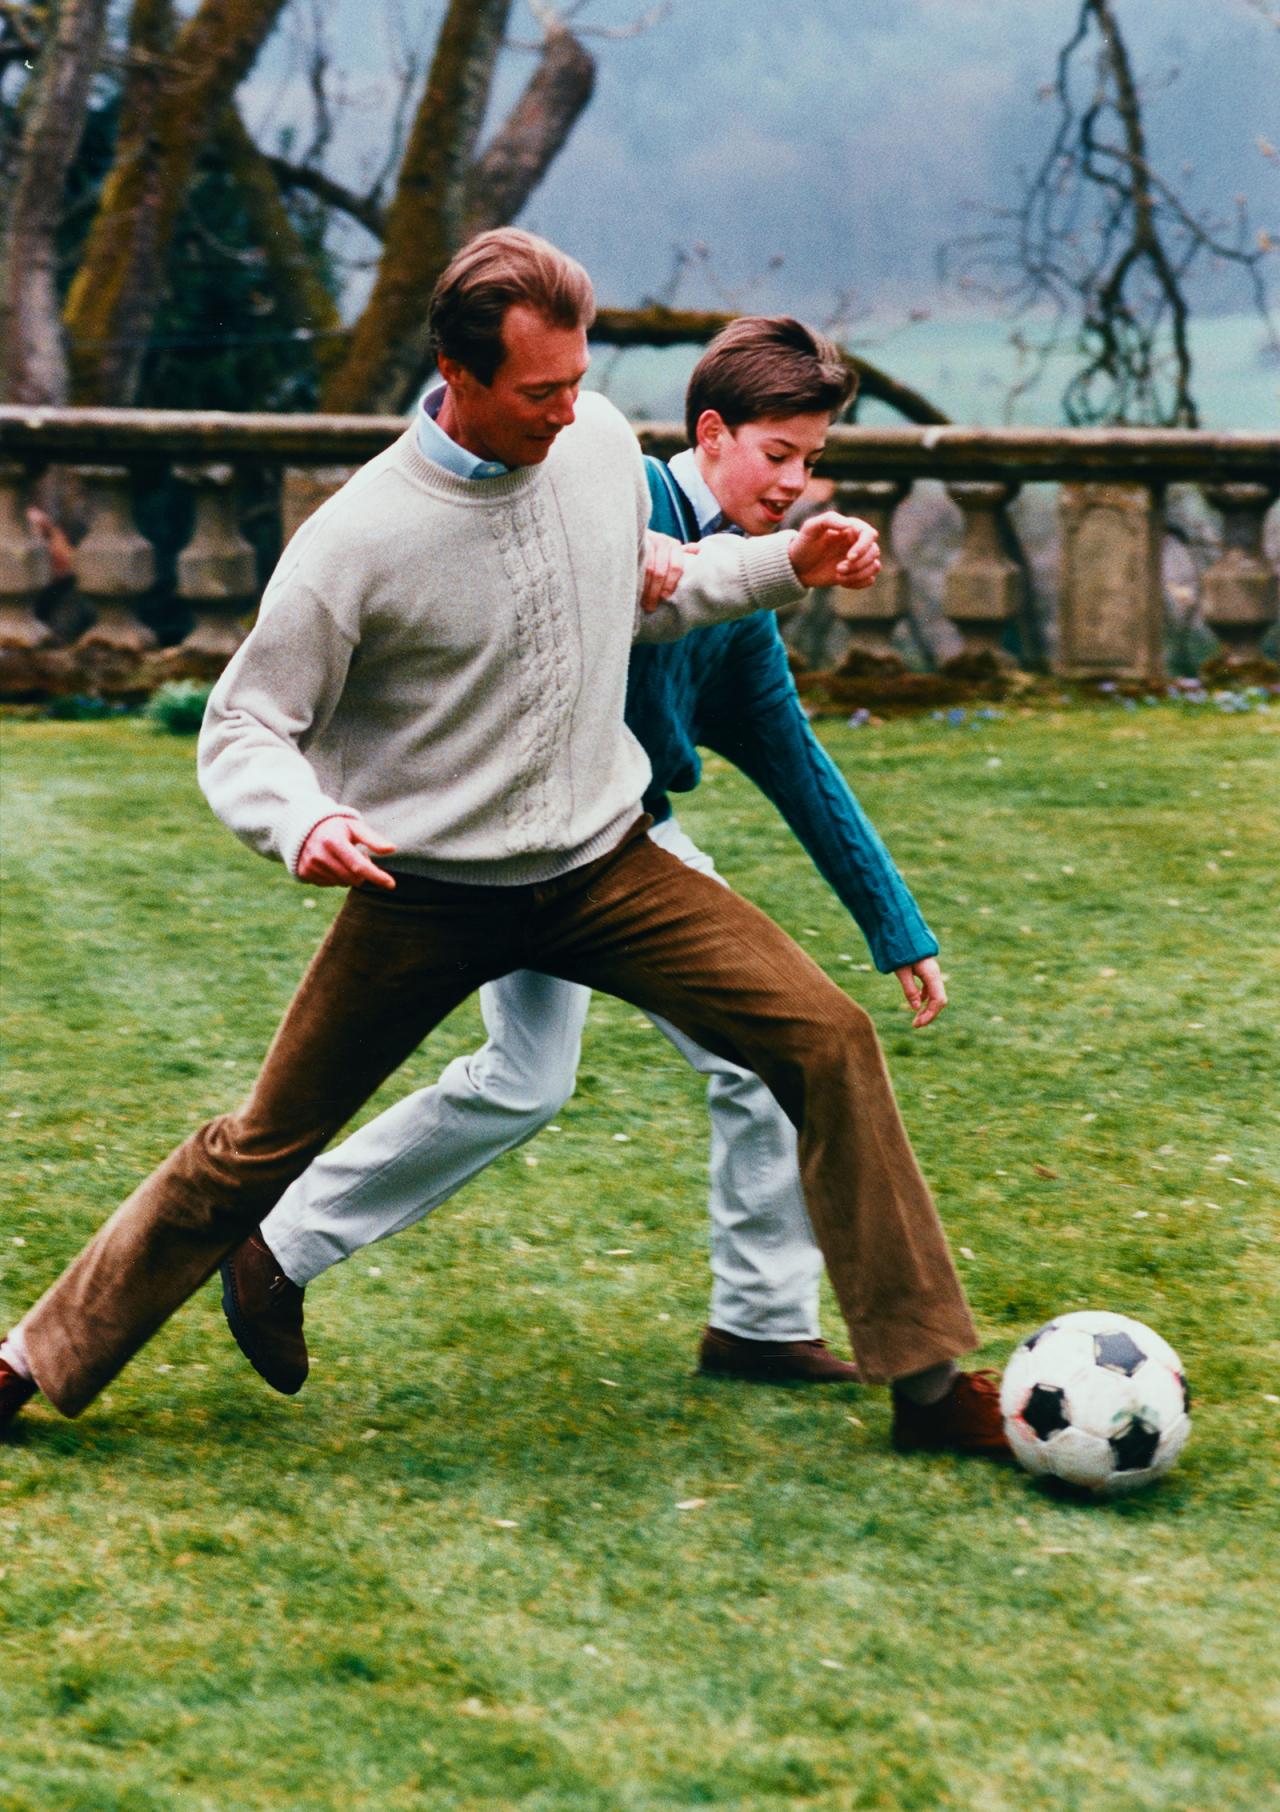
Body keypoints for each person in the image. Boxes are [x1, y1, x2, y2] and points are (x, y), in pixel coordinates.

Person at [0, 229, 1005, 1459]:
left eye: (577, 381)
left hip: (608, 864)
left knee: (826, 1041)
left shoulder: (592, 451)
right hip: (428, 893)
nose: (570, 411)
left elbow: (664, 590)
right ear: (456, 373)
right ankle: (26, 1359)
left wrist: (787, 563)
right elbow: (245, 723)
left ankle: (924, 1390)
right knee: (259, 1145)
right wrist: (302, 818)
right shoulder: (357, 539)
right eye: (540, 391)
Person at [220, 315, 947, 1395]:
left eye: (813, 461)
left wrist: (895, 928)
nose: (797, 483)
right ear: (710, 434)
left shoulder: (738, 599)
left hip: (621, 843)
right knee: (546, 1079)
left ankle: (756, 1321)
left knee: (621, 1072)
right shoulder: (613, 496)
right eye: (778, 454)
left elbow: (796, 763)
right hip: (505, 840)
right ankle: (276, 1245)